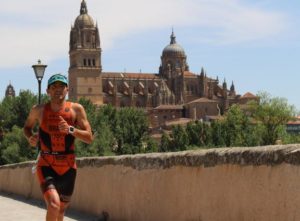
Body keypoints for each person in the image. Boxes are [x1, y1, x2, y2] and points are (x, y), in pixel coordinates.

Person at [23, 73, 93, 221]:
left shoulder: (77, 109)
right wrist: (31, 137)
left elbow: (89, 137)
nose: (58, 90)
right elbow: (27, 128)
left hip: (68, 167)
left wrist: (70, 129)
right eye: (54, 87)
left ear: (67, 89)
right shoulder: (38, 110)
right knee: (53, 205)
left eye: (62, 86)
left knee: (60, 210)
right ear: (48, 91)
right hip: (46, 164)